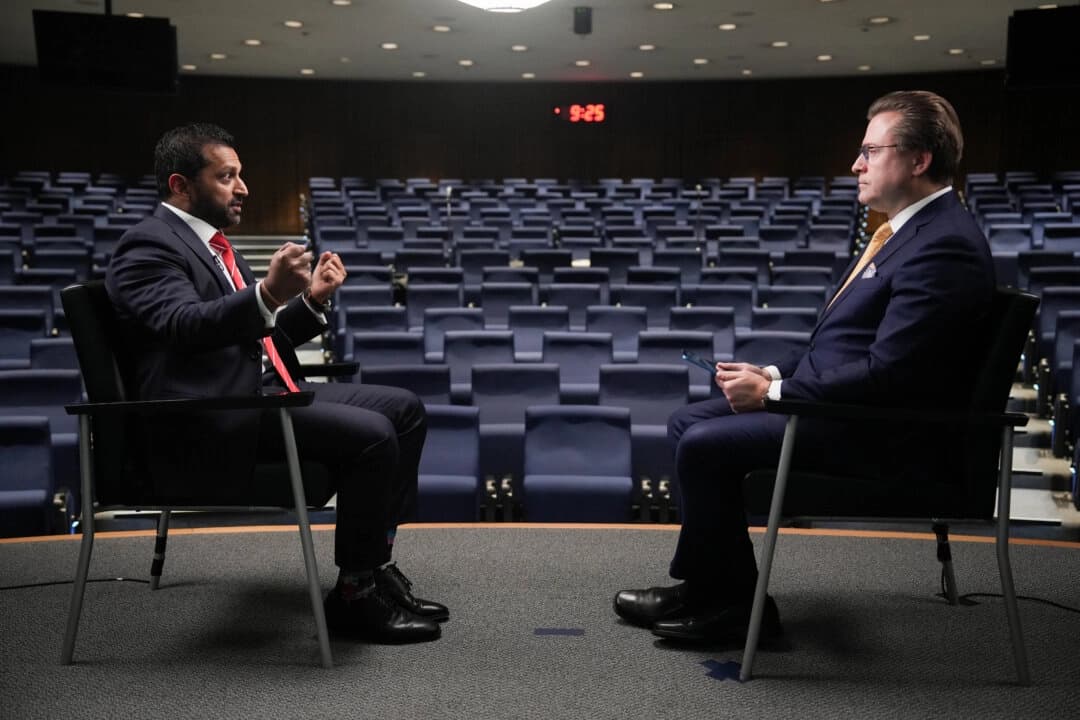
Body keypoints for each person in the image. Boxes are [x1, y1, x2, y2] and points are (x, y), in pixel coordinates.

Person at [613, 91, 995, 643]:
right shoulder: (907, 232)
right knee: (687, 421)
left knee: (702, 444)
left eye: (870, 151)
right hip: (852, 411)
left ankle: (739, 612)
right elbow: (836, 346)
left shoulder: (943, 245)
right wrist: (770, 373)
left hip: (884, 436)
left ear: (919, 160)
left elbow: (891, 374)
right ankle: (713, 588)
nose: (855, 164)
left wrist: (774, 395)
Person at [106, 123, 446, 643]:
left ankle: (374, 566)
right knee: (374, 433)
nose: (243, 188)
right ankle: (355, 594)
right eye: (227, 176)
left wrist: (309, 301)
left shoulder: (216, 247)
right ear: (180, 185)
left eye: (240, 175)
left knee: (403, 408)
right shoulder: (148, 246)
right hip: (209, 416)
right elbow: (184, 326)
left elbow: (256, 340)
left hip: (254, 394)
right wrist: (266, 293)